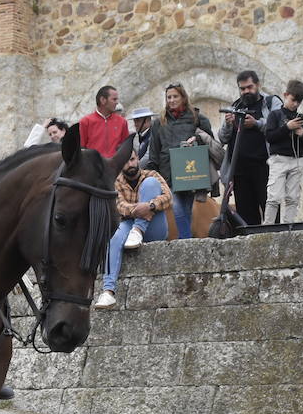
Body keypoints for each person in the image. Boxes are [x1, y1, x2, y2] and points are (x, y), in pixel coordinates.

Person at [93, 148, 170, 309]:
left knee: (150, 184)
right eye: (126, 161)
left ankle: (138, 230)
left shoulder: (151, 174)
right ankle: (108, 291)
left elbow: (168, 197)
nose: (130, 164)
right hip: (128, 227)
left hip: (155, 227)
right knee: (113, 237)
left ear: (137, 159)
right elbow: (119, 206)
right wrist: (141, 209)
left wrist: (150, 205)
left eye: (133, 159)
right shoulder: (116, 182)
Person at [146, 82, 216, 240]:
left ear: (183, 97)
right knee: (177, 207)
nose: (171, 100)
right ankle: (185, 239)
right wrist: (152, 172)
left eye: (175, 96)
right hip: (169, 172)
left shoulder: (197, 118)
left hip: (191, 171)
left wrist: (196, 138)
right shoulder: (160, 121)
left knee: (187, 207)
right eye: (168, 97)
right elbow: (154, 150)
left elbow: (209, 140)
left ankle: (185, 239)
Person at [219, 70, 281, 225]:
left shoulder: (270, 102)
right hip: (240, 171)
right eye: (242, 88)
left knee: (271, 212)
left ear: (258, 85)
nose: (246, 91)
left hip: (265, 168)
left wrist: (256, 123)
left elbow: (281, 125)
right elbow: (222, 138)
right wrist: (228, 124)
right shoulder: (235, 106)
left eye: (249, 87)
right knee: (247, 218)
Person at [263, 80, 303, 224]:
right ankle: (268, 226)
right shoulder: (275, 115)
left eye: (299, 101)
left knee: (293, 197)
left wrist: (302, 134)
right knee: (274, 196)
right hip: (279, 160)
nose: (296, 104)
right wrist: (287, 128)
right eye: (293, 100)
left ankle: (288, 226)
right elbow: (270, 137)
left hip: (297, 160)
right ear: (285, 95)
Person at [79, 85, 128, 156]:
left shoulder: (122, 122)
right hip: (93, 165)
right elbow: (81, 148)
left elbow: (125, 148)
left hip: (115, 165)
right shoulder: (85, 121)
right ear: (103, 100)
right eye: (114, 99)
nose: (117, 102)